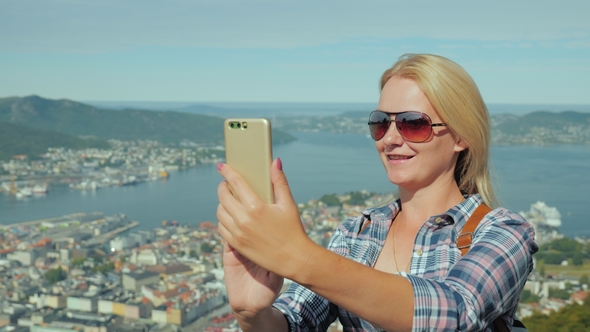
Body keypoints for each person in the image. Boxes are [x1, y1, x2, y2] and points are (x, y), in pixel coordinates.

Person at [216, 53, 538, 332]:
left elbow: (455, 314)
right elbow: (295, 322)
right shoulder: (357, 234)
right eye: (381, 122)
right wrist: (252, 314)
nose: (390, 139)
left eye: (413, 123)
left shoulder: (502, 233)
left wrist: (298, 256)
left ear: (460, 137)